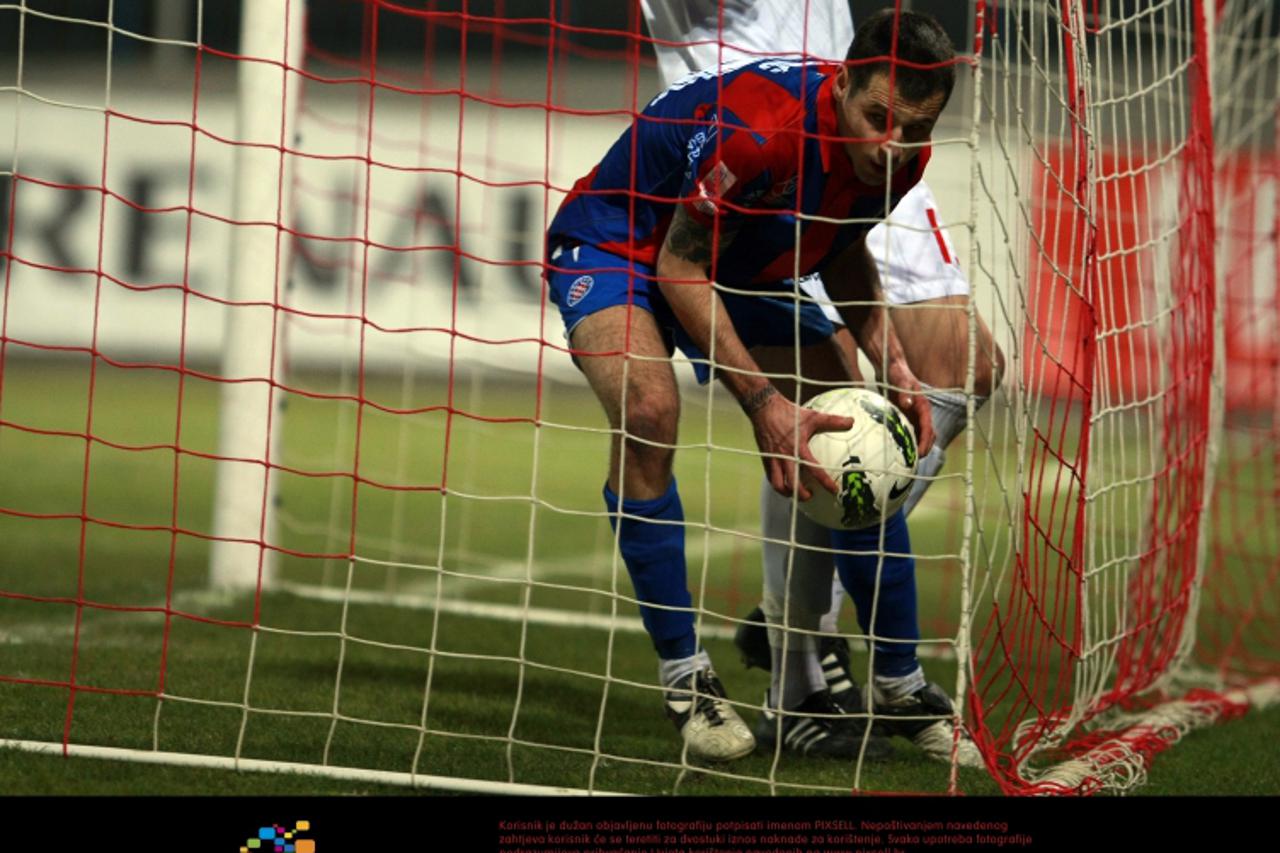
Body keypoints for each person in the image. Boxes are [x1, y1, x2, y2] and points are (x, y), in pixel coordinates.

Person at [544, 8, 957, 762]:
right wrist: (764, 403)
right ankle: (687, 676)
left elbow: (839, 245)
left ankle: (900, 680)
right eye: (880, 119)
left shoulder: (901, 157)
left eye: (916, 130)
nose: (894, 147)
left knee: (856, 414)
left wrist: (891, 362)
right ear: (842, 86)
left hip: (730, 254)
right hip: (622, 239)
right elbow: (676, 265)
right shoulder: (761, 132)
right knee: (649, 407)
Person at [641, 0, 1003, 766]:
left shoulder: (899, 126)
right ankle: (801, 673)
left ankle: (796, 618)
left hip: (868, 113)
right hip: (755, 137)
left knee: (966, 369)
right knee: (827, 396)